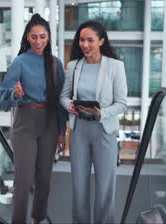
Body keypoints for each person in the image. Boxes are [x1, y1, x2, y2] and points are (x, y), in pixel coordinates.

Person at [0, 13, 67, 224]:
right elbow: (3, 101)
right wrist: (15, 95)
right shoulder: (19, 62)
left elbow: (61, 100)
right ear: (28, 37)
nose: (39, 42)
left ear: (48, 38)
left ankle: (38, 219)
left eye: (43, 37)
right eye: (35, 37)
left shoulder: (56, 64)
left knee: (44, 179)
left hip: (50, 122)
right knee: (23, 179)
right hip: (25, 122)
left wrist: (62, 132)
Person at [59, 21, 127, 223]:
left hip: (104, 132)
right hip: (79, 132)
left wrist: (102, 113)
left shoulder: (115, 66)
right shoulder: (74, 66)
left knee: (105, 186)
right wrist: (69, 105)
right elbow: (63, 96)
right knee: (79, 187)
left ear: (101, 41)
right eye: (81, 39)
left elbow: (122, 103)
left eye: (90, 40)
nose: (85, 44)